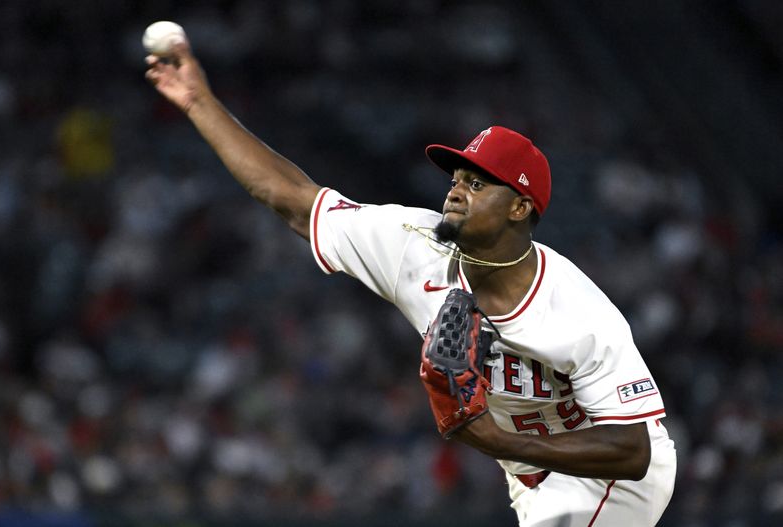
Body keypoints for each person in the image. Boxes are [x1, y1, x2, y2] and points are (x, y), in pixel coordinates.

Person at [145, 39, 676, 526]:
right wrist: (200, 104)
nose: (456, 191)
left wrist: (494, 438)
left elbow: (633, 450)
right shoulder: (413, 246)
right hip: (531, 478)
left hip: (614, 478)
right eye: (456, 178)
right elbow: (293, 199)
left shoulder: (578, 310)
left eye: (477, 183)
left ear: (520, 208)